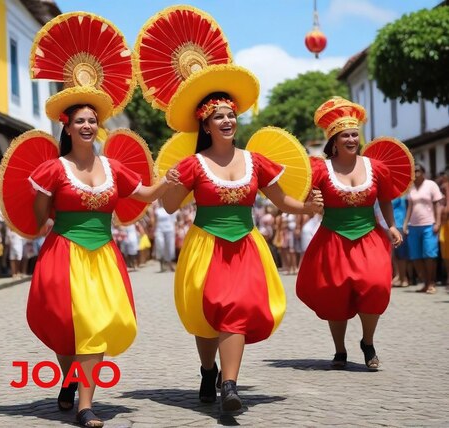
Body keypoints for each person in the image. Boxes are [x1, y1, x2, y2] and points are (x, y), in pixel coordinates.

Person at [161, 85, 323, 411]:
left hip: (246, 244)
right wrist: (171, 182)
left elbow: (281, 200)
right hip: (206, 245)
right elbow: (169, 206)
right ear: (206, 126)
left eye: (231, 115)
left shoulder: (256, 162)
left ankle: (229, 385)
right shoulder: (193, 163)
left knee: (234, 309)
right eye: (218, 116)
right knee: (208, 315)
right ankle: (209, 372)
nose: (226, 120)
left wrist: (307, 208)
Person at [27, 101, 180, 426]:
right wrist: (47, 224)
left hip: (104, 256)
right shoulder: (53, 169)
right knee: (67, 326)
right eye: (80, 121)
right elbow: (40, 212)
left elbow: (147, 194)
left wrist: (167, 180)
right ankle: (69, 379)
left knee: (94, 325)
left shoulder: (113, 167)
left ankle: (85, 406)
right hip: (63, 254)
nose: (87, 126)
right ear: (67, 128)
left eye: (92, 121)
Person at [296, 97, 405, 371]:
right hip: (332, 238)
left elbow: (386, 199)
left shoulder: (376, 168)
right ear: (334, 139)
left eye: (355, 134)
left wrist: (391, 225)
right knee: (336, 294)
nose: (351, 139)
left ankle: (367, 343)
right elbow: (305, 196)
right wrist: (311, 202)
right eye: (345, 135)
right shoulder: (319, 168)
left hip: (369, 236)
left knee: (376, 285)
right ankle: (340, 350)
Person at [403, 164, 443, 294]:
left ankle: (432, 283)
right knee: (415, 256)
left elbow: (437, 204)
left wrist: (437, 222)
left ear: (423, 172)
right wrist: (405, 224)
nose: (415, 173)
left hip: (429, 224)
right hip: (413, 226)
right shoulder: (411, 188)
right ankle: (425, 283)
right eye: (413, 171)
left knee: (429, 255)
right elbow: (409, 207)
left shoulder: (431, 185)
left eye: (417, 170)